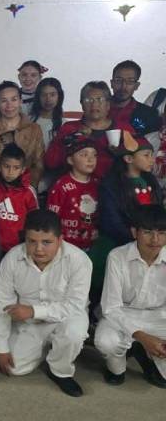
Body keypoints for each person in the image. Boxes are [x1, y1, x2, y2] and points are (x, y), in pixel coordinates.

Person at [0, 209, 92, 397]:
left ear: (60, 240)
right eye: (32, 241)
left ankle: (60, 370)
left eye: (46, 242)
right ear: (25, 239)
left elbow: (74, 306)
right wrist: (1, 348)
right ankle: (48, 348)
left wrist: (33, 311)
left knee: (74, 333)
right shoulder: (12, 258)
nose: (38, 249)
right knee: (14, 369)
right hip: (29, 323)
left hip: (66, 318)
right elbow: (0, 304)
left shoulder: (79, 260)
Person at [95, 205, 166, 388]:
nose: (155, 239)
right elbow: (111, 307)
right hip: (122, 312)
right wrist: (143, 337)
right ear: (135, 232)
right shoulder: (117, 256)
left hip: (158, 315)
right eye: (148, 232)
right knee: (107, 342)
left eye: (161, 233)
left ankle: (143, 352)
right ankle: (117, 369)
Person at [90, 132, 162, 305]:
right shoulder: (111, 185)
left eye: (152, 155)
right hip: (118, 239)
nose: (152, 160)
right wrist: (134, 236)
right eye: (146, 155)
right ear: (129, 159)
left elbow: (158, 213)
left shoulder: (151, 182)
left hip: (148, 238)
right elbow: (110, 220)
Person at [45, 81, 132, 180]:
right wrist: (71, 140)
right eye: (88, 100)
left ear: (108, 104)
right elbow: (51, 163)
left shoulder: (124, 129)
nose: (94, 104)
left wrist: (120, 152)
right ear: (82, 104)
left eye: (100, 99)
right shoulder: (69, 128)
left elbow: (138, 160)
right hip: (77, 186)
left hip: (116, 185)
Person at [0, 81, 44, 187]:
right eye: (4, 100)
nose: (9, 105)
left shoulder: (34, 129)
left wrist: (28, 189)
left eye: (14, 99)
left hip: (26, 189)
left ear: (20, 101)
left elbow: (38, 164)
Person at [47, 137, 99, 251]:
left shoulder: (97, 184)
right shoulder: (61, 186)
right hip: (66, 246)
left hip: (92, 245)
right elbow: (51, 218)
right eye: (84, 155)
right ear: (70, 160)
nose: (91, 159)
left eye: (94, 155)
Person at [0, 144, 39, 253]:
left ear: (22, 170)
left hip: (20, 246)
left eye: (16, 168)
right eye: (6, 166)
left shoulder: (28, 191)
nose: (10, 172)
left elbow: (35, 220)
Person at [109, 60, 162, 149]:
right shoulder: (98, 109)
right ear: (112, 83)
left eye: (130, 81)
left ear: (137, 85)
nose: (123, 86)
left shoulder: (149, 114)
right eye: (118, 80)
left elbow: (152, 147)